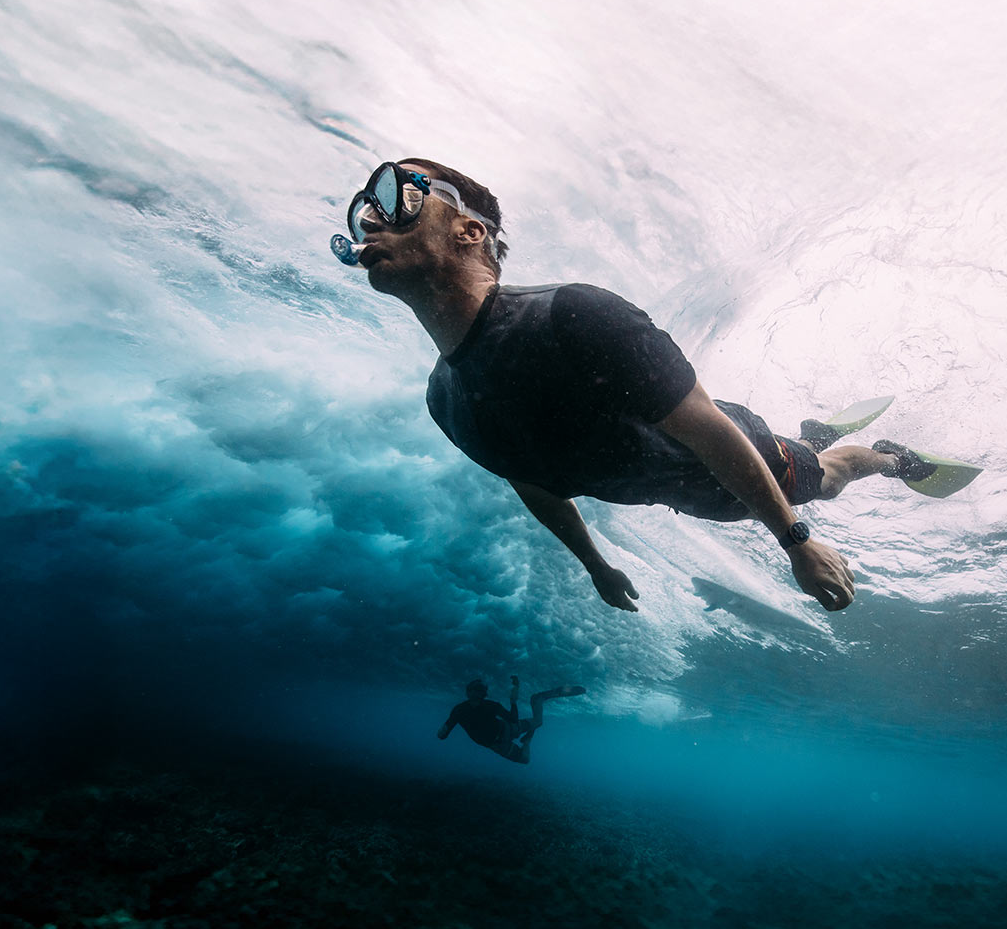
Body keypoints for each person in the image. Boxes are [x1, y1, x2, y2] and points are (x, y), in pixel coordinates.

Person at [338, 158, 966, 614]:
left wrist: (795, 541)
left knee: (824, 479)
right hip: (695, 499)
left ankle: (888, 457)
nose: (370, 220)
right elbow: (534, 484)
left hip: (733, 459)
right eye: (363, 211)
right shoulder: (443, 402)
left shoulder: (572, 314)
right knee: (805, 464)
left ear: (469, 230)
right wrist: (597, 567)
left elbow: (705, 428)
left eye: (400, 194)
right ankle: (816, 434)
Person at [438, 675, 582, 764]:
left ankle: (537, 702)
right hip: (503, 736)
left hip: (501, 737)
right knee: (526, 756)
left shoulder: (459, 710)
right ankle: (536, 706)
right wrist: (513, 699)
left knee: (535, 729)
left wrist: (514, 697)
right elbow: (513, 719)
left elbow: (442, 735)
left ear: (469, 692)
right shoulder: (488, 705)